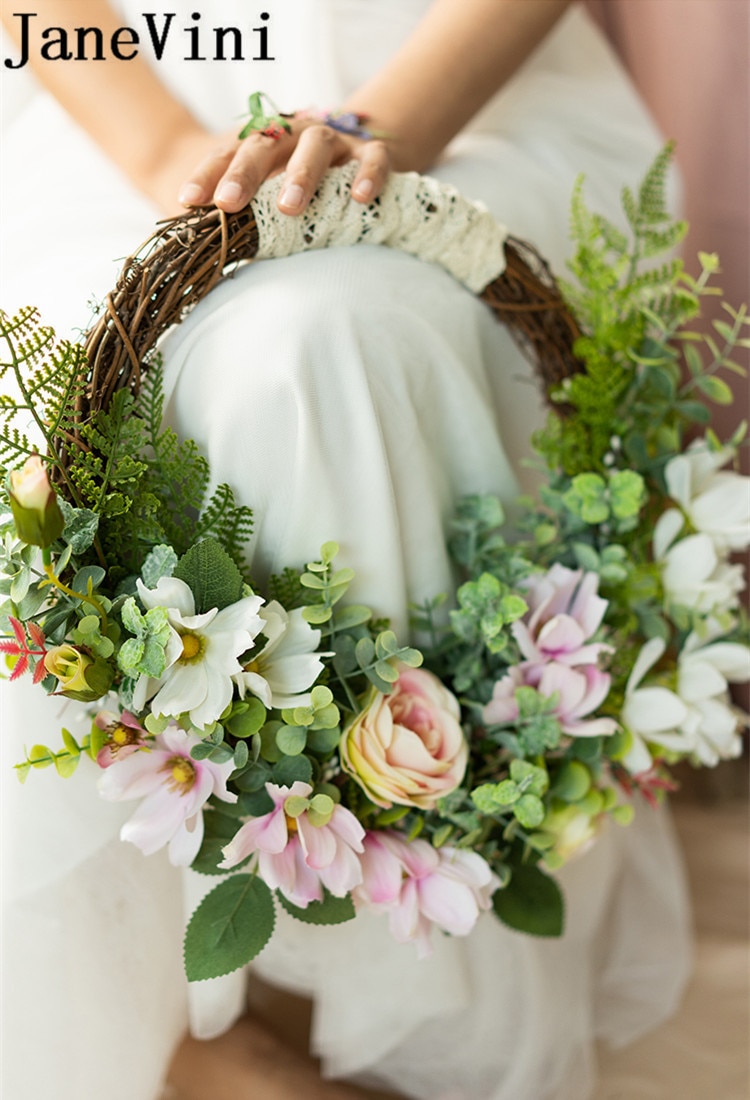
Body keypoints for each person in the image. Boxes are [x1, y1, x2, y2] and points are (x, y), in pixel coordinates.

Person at [0, 3, 692, 1098]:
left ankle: (338, 976)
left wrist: (387, 132)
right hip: (121, 95)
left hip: (463, 92)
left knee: (328, 337)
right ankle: (174, 1010)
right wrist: (176, 154)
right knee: (110, 364)